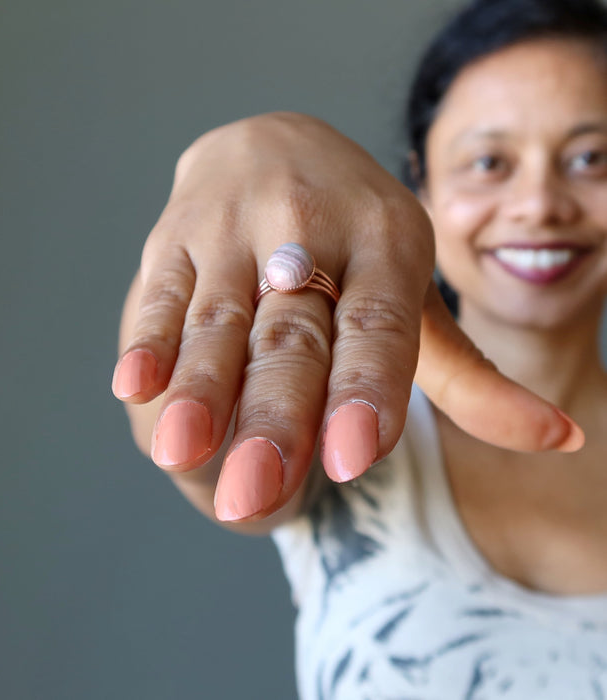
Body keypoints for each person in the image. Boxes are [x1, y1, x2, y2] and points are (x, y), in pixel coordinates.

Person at [112, 0, 607, 696]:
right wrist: (251, 150)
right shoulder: (337, 413)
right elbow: (180, 429)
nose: (539, 204)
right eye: (489, 161)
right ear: (419, 187)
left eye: (590, 158)